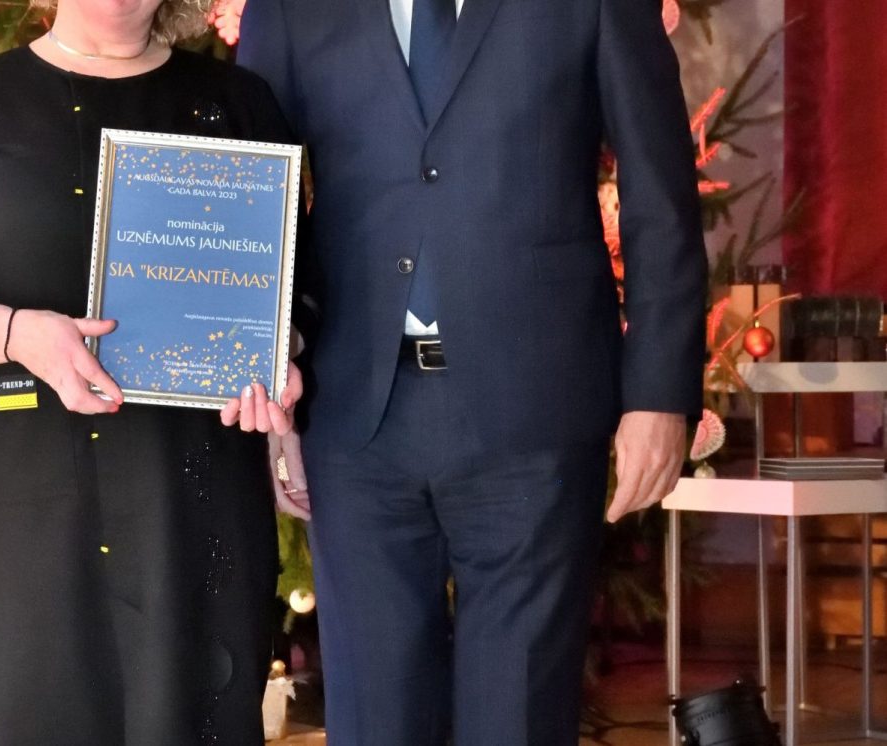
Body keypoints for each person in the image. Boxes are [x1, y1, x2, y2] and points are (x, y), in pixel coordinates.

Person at [239, 0, 708, 743]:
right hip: (352, 416)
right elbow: (256, 199)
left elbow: (661, 193)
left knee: (518, 716)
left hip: (538, 412)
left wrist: (658, 395)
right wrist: (269, 377)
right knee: (375, 719)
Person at [0, 1, 306, 743]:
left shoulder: (238, 102)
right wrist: (15, 334)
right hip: (17, 508)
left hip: (191, 504)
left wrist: (281, 357)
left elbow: (294, 288)